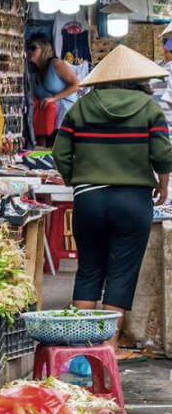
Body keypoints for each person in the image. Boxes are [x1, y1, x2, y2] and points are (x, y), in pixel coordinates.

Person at [52, 46, 172, 346]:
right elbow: (162, 155)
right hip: (133, 200)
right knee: (122, 270)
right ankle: (109, 346)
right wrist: (164, 185)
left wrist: (76, 181)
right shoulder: (149, 108)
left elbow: (60, 152)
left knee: (90, 267)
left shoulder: (79, 107)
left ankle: (79, 343)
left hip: (90, 198)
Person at [27, 33, 82, 145]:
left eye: (33, 48)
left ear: (44, 48)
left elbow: (77, 84)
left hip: (64, 118)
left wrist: (54, 98)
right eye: (28, 48)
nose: (29, 51)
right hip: (47, 122)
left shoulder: (56, 64)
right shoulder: (35, 73)